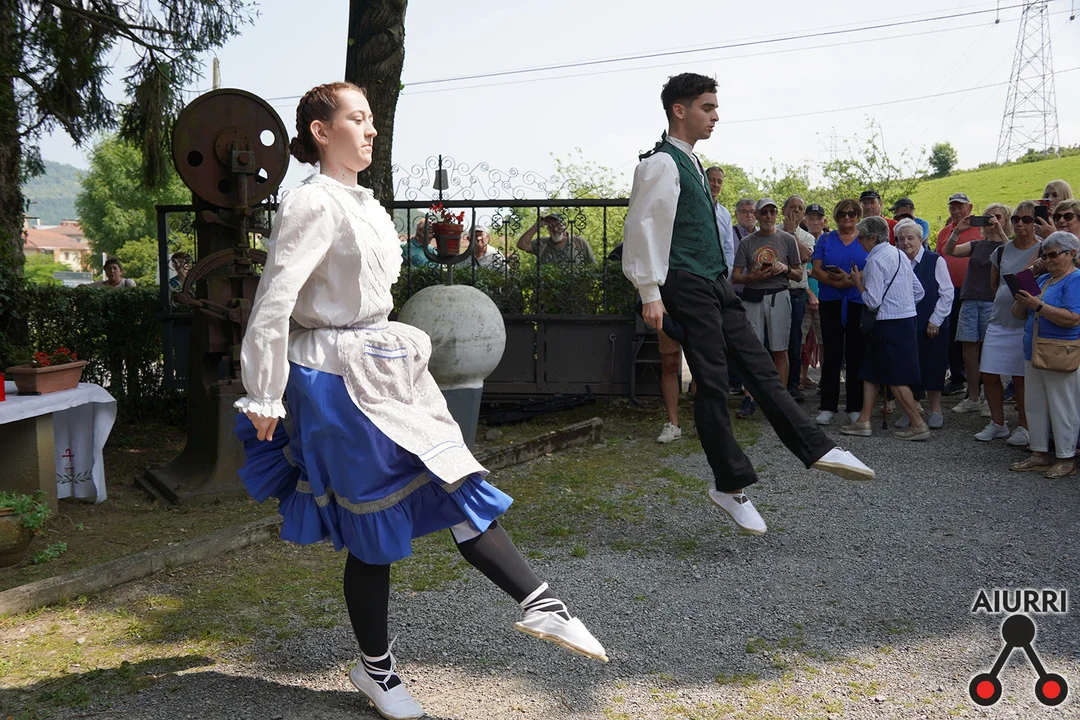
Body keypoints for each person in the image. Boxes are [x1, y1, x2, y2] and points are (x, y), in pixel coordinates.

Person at [234, 82, 607, 719]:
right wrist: (264, 391)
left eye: (371, 119)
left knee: (453, 474)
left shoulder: (366, 204)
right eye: (357, 118)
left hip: (386, 362)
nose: (370, 129)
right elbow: (274, 300)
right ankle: (377, 670)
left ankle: (540, 601)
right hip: (333, 379)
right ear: (321, 132)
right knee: (371, 526)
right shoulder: (311, 202)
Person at [622, 72, 874, 536]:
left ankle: (818, 449)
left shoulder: (692, 163)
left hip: (714, 283)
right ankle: (730, 486)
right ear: (679, 110)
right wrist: (649, 293)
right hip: (683, 282)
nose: (715, 116)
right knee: (713, 381)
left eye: (715, 107)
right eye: (707, 107)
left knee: (760, 367)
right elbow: (641, 228)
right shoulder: (659, 164)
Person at [840, 216, 927, 439]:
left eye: (861, 237)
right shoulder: (898, 254)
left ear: (872, 237)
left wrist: (857, 282)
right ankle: (864, 421)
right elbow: (919, 291)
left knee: (895, 378)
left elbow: (872, 301)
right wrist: (903, 305)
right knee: (870, 372)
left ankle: (918, 424)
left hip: (887, 324)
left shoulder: (875, 261)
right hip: (903, 320)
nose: (859, 241)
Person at [1010, 231, 1080, 479]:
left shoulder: (1075, 279)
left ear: (1072, 254)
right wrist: (1022, 298)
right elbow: (1018, 314)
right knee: (1035, 404)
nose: (1048, 260)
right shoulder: (1043, 279)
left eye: (1053, 255)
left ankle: (1066, 457)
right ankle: (1039, 453)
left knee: (1062, 406)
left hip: (1060, 351)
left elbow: (1073, 318)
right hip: (1035, 350)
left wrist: (1038, 305)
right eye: (1045, 256)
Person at [975, 201, 1042, 445]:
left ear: (1035, 222)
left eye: (1027, 219)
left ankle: (1024, 426)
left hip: (1025, 323)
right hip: (998, 320)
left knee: (1021, 378)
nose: (1021, 224)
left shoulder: (1043, 249)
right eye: (1016, 219)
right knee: (988, 373)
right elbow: (996, 284)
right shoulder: (1002, 251)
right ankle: (998, 424)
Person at [731, 198, 804, 418]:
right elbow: (735, 276)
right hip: (753, 297)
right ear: (757, 215)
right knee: (752, 350)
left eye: (772, 212)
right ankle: (750, 397)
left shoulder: (787, 239)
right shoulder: (747, 242)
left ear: (777, 214)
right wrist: (752, 277)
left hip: (779, 296)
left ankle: (779, 401)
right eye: (764, 212)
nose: (768, 216)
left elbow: (798, 274)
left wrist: (784, 269)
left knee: (780, 349)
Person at [942, 203, 1011, 415]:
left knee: (990, 353)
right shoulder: (977, 245)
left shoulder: (1009, 245)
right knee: (969, 354)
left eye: (997, 217)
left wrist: (1000, 232)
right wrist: (958, 230)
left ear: (1006, 220)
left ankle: (991, 399)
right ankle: (973, 397)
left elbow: (1013, 257)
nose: (992, 220)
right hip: (970, 300)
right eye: (988, 217)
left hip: (992, 302)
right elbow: (949, 250)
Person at [810, 199, 869, 425]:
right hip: (831, 300)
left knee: (856, 354)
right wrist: (837, 283)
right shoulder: (826, 239)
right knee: (832, 353)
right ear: (835, 217)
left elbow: (872, 266)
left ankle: (854, 406)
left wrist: (852, 281)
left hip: (857, 300)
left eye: (852, 213)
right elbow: (816, 269)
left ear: (858, 216)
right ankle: (827, 406)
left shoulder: (865, 238)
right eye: (842, 213)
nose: (847, 217)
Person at [894, 219, 953, 431]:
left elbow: (947, 293)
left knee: (934, 366)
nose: (906, 242)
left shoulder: (935, 260)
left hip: (932, 323)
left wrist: (935, 320)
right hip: (906, 323)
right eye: (901, 239)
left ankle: (936, 410)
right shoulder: (897, 261)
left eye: (910, 238)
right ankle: (912, 409)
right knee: (908, 367)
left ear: (921, 239)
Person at [938, 192, 982, 396]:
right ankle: (957, 378)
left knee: (973, 338)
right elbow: (940, 258)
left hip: (975, 291)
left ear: (969, 208)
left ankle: (977, 381)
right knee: (952, 335)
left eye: (960, 207)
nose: (956, 211)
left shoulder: (980, 230)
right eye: (952, 207)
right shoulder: (944, 233)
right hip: (950, 291)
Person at [780, 195, 816, 402]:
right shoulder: (772, 230)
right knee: (774, 341)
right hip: (774, 291)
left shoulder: (807, 236)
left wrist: (792, 233)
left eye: (800, 208)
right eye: (792, 207)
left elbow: (804, 256)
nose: (795, 211)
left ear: (803, 214)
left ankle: (793, 385)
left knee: (794, 340)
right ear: (783, 210)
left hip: (796, 294)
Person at [799, 203, 827, 391]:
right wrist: (808, 292)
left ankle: (825, 380)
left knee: (823, 341)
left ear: (824, 221)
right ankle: (800, 377)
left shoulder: (830, 240)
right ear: (805, 220)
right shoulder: (801, 239)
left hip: (825, 298)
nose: (815, 222)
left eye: (818, 218)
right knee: (801, 340)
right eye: (811, 218)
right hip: (803, 297)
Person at [517, 213, 596, 266]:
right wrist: (536, 226)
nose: (555, 229)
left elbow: (592, 264)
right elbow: (522, 245)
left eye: (558, 225)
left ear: (564, 225)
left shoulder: (578, 241)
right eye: (551, 226)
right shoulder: (542, 243)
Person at [706, 166, 735, 277]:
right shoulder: (694, 207)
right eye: (712, 180)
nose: (716, 185)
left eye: (719, 182)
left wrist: (727, 273)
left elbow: (728, 248)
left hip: (717, 274)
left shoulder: (725, 214)